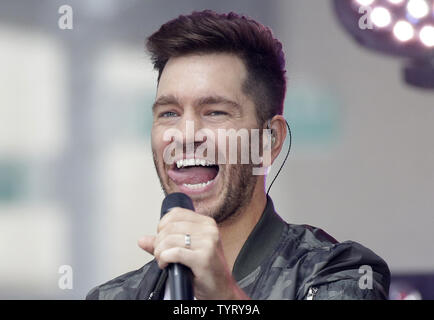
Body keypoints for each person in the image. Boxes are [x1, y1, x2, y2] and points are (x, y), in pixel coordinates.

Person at [86, 10, 390, 300]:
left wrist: (224, 295)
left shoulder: (339, 273)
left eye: (215, 112)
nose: (186, 134)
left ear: (268, 141)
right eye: (169, 113)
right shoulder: (114, 295)